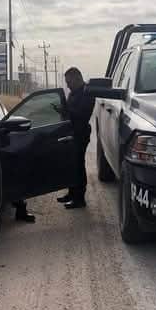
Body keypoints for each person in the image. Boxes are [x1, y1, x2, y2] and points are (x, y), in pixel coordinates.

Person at [57, 67, 95, 209]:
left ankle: (79, 199)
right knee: (72, 164)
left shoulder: (87, 92)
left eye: (69, 82)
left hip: (80, 134)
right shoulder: (73, 93)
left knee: (78, 166)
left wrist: (66, 111)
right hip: (71, 134)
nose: (67, 85)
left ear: (77, 78)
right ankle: (72, 193)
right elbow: (70, 111)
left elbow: (83, 115)